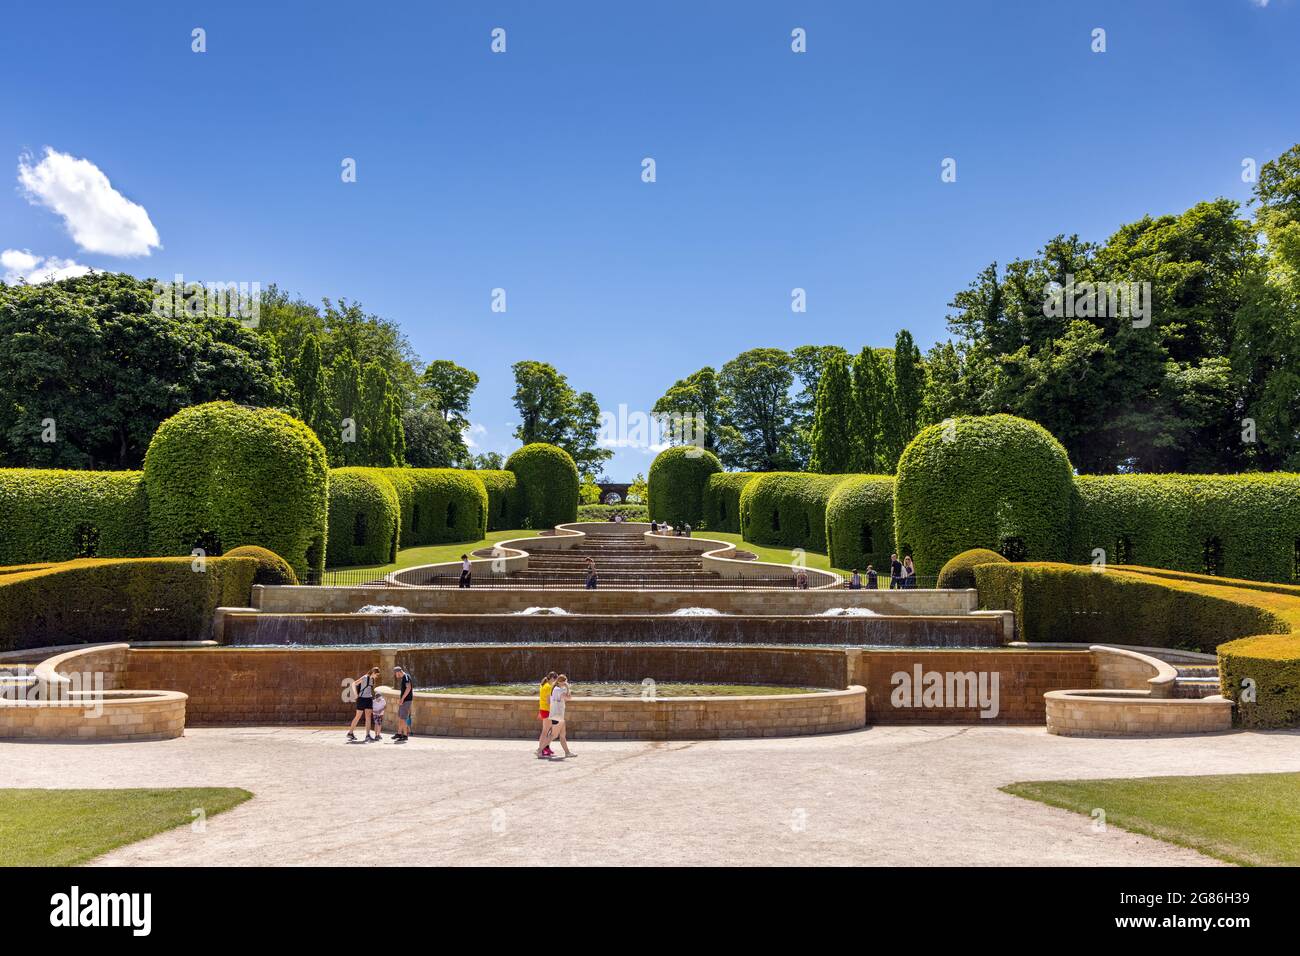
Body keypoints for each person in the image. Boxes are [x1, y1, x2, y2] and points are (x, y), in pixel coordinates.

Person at [347, 666, 382, 741]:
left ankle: (367, 735)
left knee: (368, 717)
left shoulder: (372, 680)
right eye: (377, 675)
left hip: (369, 699)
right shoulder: (365, 677)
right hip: (362, 699)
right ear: (373, 673)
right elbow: (353, 684)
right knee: (358, 716)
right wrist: (356, 694)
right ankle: (350, 733)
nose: (377, 676)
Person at [546, 675, 575, 758]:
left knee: (562, 735)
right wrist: (568, 688)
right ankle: (540, 749)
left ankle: (567, 752)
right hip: (558, 715)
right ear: (560, 682)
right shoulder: (558, 690)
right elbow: (569, 698)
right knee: (553, 735)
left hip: (558, 715)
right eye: (565, 682)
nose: (566, 683)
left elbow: (549, 700)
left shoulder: (554, 688)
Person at [536, 671, 558, 757]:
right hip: (547, 710)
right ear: (552, 678)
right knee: (546, 731)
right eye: (555, 680)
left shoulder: (542, 685)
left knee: (545, 731)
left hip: (543, 709)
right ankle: (540, 750)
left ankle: (544, 748)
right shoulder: (549, 687)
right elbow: (549, 701)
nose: (555, 682)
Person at [393, 664, 414, 742]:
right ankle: (399, 733)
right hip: (405, 700)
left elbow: (408, 688)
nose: (395, 675)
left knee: (403, 718)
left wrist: (402, 699)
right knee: (401, 717)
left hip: (406, 700)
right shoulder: (404, 677)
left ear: (399, 672)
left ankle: (405, 735)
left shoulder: (406, 677)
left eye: (396, 673)